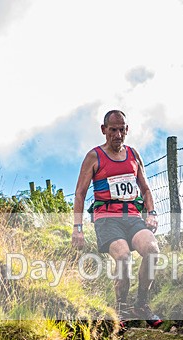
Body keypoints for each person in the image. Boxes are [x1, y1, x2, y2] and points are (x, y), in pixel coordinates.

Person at [72, 110, 162, 327]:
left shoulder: (133, 155)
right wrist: (77, 228)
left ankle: (141, 304)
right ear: (104, 130)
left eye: (122, 130)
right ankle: (121, 309)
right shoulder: (94, 156)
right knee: (123, 257)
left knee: (152, 251)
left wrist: (152, 213)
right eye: (113, 130)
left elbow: (145, 189)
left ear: (127, 129)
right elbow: (80, 193)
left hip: (132, 216)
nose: (118, 135)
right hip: (106, 219)